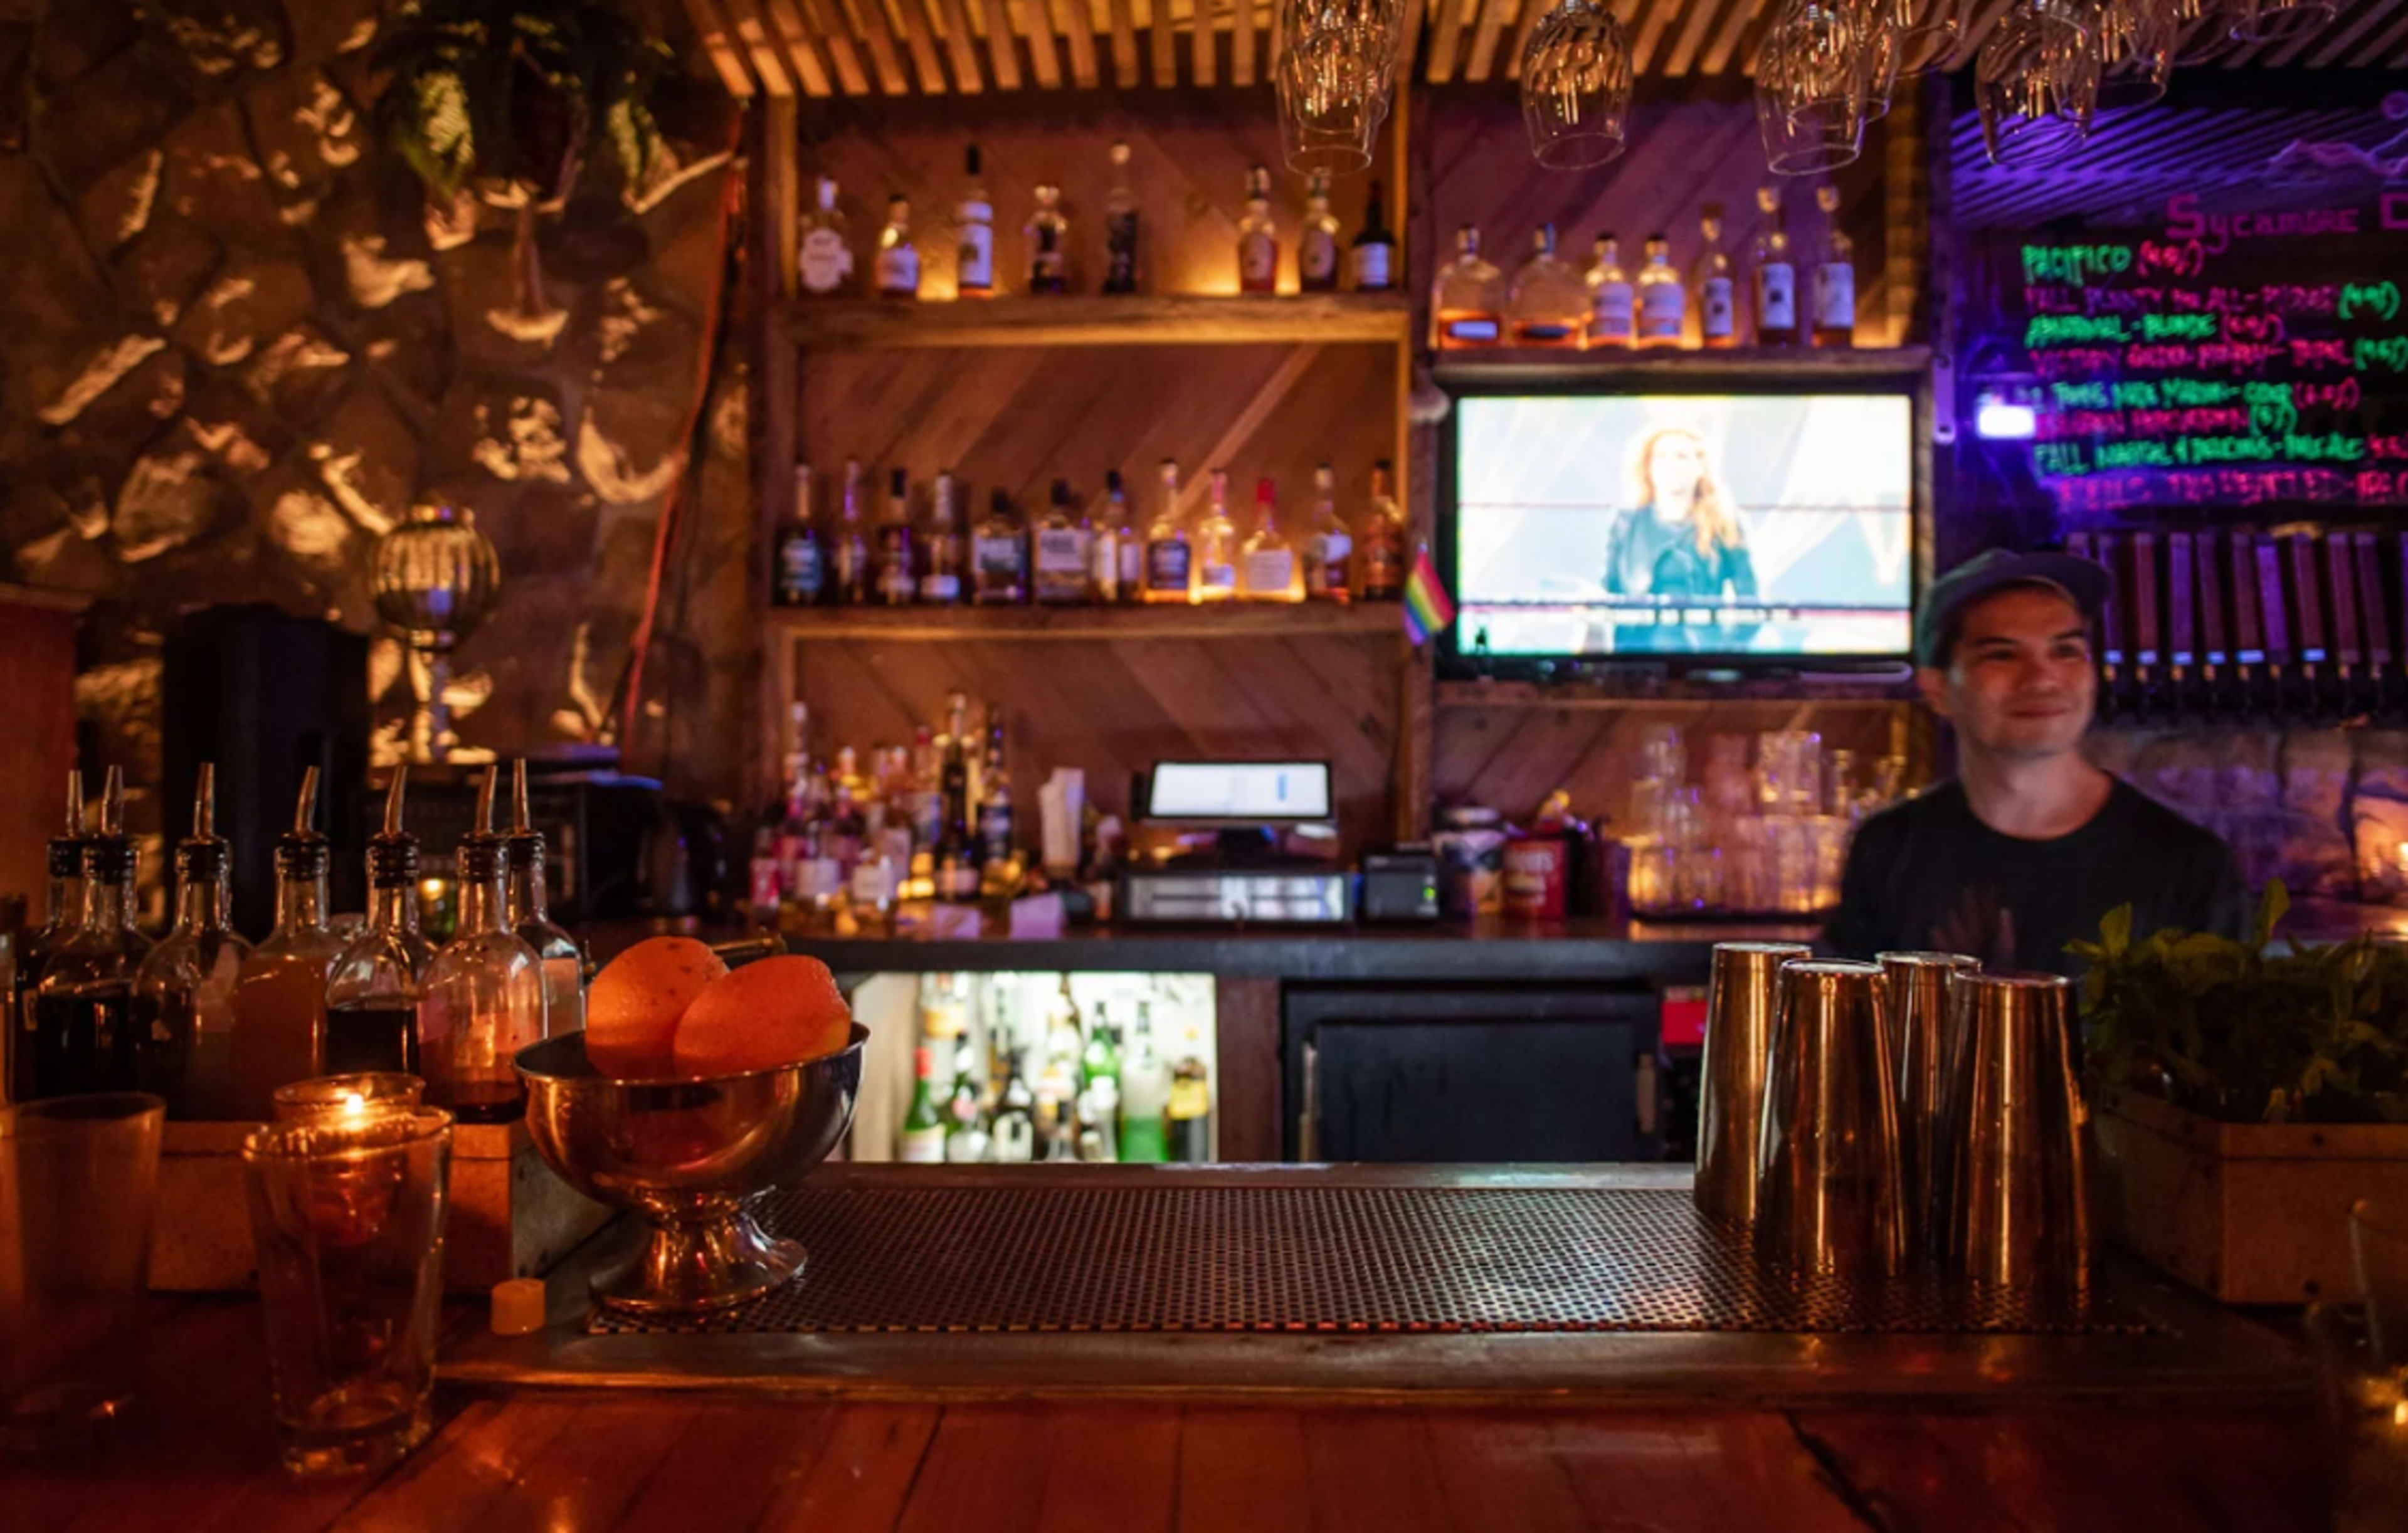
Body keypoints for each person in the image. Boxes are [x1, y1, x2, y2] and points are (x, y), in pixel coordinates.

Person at [1825, 548, 2244, 977]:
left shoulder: (2188, 865)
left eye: (2065, 651)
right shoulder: (1888, 848)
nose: (2042, 678)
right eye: (2002, 655)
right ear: (1937, 689)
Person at [1602, 427, 1759, 604]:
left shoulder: (1725, 521)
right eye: (1660, 456)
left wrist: (1723, 631)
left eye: (1681, 457)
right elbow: (1607, 590)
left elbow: (1750, 602)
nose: (1670, 464)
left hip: (1703, 630)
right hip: (1636, 630)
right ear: (1648, 466)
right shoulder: (1626, 522)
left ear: (1701, 467)